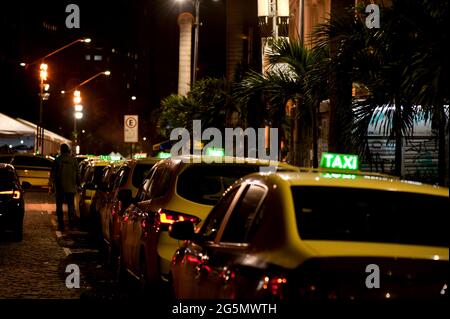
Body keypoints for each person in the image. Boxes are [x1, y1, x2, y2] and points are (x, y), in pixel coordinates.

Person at [51, 144, 80, 230]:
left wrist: (52, 185)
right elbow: (78, 174)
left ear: (61, 150)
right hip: (71, 187)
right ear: (68, 150)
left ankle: (61, 224)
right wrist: (78, 184)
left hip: (60, 187)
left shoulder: (57, 160)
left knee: (59, 206)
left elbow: (54, 174)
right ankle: (71, 224)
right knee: (71, 206)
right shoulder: (74, 160)